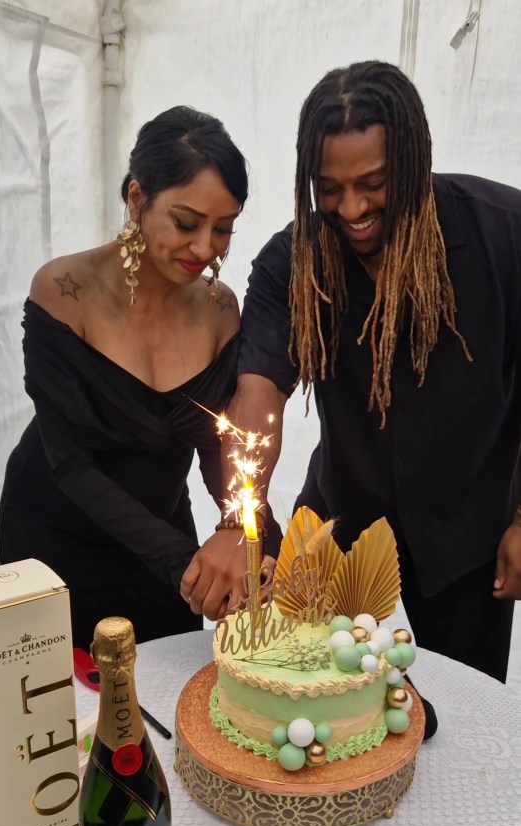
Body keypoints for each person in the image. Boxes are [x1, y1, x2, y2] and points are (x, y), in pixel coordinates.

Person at [181, 61, 521, 685]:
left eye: (374, 183)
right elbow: (258, 392)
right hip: (341, 520)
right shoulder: (292, 260)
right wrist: (242, 516)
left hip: (470, 537)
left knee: (465, 714)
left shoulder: (505, 232)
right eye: (328, 188)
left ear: (416, 162)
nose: (352, 208)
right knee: (312, 699)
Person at [0, 105, 251, 651]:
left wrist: (242, 532)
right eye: (186, 223)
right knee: (67, 717)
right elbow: (70, 464)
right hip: (54, 542)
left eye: (223, 228)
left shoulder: (220, 309)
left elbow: (219, 442)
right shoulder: (64, 291)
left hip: (162, 538)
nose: (205, 248)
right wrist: (186, 562)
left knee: (167, 707)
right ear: (137, 199)